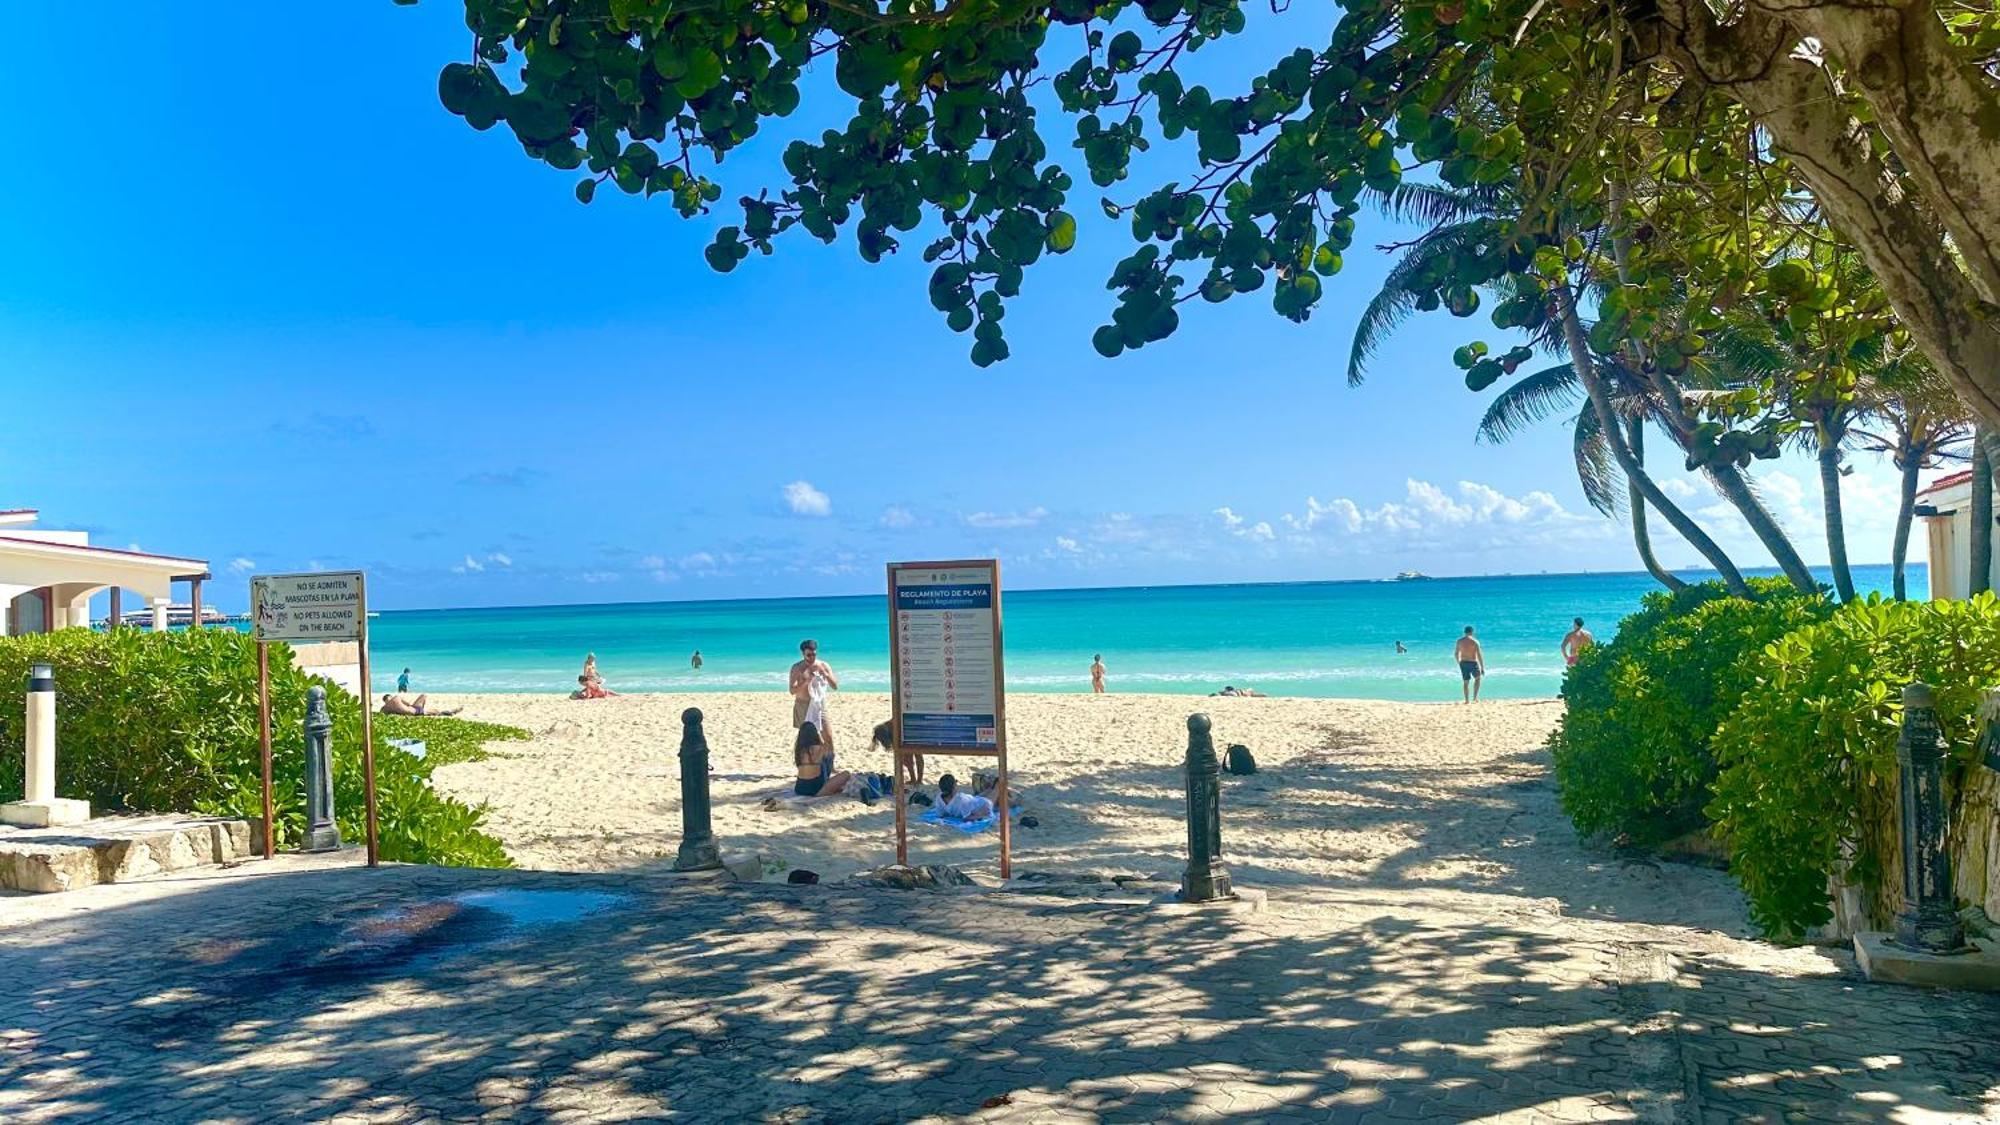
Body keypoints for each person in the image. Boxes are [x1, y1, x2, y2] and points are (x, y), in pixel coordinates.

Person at [789, 639, 839, 748]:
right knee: (807, 741)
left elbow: (835, 686)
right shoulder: (797, 668)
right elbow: (792, 691)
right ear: (803, 654)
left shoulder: (823, 665)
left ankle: (828, 763)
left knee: (828, 738)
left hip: (819, 704)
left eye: (814, 654)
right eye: (808, 655)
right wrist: (806, 682)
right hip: (803, 705)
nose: (812, 658)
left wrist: (826, 675)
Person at [793, 721, 850, 798]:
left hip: (799, 788)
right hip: (815, 789)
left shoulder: (799, 750)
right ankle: (820, 794)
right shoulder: (819, 748)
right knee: (846, 774)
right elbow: (830, 753)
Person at [1455, 626, 1485, 703]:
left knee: (1466, 682)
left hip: (1463, 662)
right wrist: (1482, 667)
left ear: (1464, 632)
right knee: (1477, 678)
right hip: (1473, 662)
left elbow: (1456, 653)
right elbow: (1479, 655)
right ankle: (1475, 698)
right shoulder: (1475, 642)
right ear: (1472, 632)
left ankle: (1467, 700)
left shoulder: (1459, 641)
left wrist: (1459, 663)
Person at [381, 693, 460, 717]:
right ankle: (450, 712)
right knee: (436, 711)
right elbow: (408, 703)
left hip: (412, 710)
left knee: (424, 696)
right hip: (413, 710)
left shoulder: (384, 708)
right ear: (390, 696)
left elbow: (382, 713)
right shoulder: (396, 697)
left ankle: (423, 711)